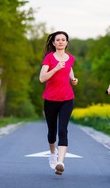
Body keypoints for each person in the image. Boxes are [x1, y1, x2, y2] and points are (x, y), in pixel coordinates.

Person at [39, 31, 78, 175]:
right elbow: (42, 78)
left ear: (67, 43)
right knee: (52, 133)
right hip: (50, 99)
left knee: (63, 130)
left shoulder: (71, 58)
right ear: (54, 43)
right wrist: (55, 68)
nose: (61, 42)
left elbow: (69, 69)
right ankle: (52, 154)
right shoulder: (49, 58)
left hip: (67, 99)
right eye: (58, 40)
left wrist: (73, 79)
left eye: (63, 40)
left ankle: (60, 162)